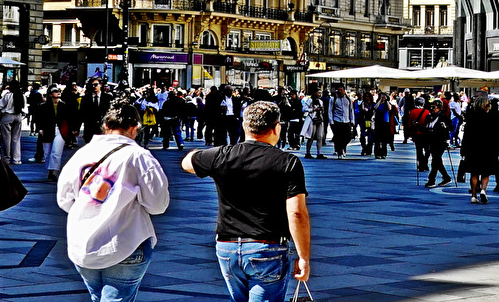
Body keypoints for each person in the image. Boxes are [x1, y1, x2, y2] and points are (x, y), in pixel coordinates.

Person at [182, 100, 310, 302]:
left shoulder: (223, 155)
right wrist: (303, 257)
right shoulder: (287, 162)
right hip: (266, 248)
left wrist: (212, 156)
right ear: (276, 128)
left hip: (227, 246)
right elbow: (296, 212)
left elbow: (188, 162)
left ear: (245, 126)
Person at [58, 100, 170, 302]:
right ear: (135, 128)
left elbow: (64, 200)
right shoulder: (138, 156)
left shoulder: (82, 154)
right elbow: (158, 204)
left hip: (83, 243)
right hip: (126, 241)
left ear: (105, 126)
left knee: (97, 296)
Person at [460, 96, 499, 204]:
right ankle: (483, 190)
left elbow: (466, 134)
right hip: (488, 148)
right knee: (486, 173)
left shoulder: (471, 116)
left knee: (474, 173)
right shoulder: (493, 116)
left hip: (473, 147)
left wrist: (464, 148)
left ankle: (474, 195)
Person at [422, 99, 452, 188]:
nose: (432, 109)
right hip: (430, 141)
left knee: (435, 160)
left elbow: (450, 127)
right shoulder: (429, 116)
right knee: (437, 161)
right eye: (431, 107)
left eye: (434, 107)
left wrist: (445, 127)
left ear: (439, 108)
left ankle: (432, 180)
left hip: (440, 141)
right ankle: (446, 177)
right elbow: (425, 127)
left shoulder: (443, 117)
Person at [0, 82, 26, 166]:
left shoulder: (8, 95)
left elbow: (0, 105)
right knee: (16, 138)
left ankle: (7, 158)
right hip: (18, 116)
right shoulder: (22, 95)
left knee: (6, 138)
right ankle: (16, 159)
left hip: (7, 116)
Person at [328, 86, 354, 158]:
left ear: (344, 91)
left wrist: (352, 120)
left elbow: (351, 110)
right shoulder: (333, 99)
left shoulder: (348, 99)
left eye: (341, 90)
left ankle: (343, 147)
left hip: (346, 120)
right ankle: (340, 152)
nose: (340, 91)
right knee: (338, 137)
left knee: (348, 137)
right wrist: (331, 121)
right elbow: (330, 110)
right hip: (337, 120)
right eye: (338, 90)